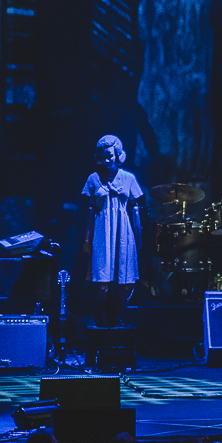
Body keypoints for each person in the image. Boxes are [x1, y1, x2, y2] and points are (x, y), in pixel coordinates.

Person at [81, 134, 144, 328]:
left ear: (118, 154)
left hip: (123, 231)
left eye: (110, 155)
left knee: (125, 283)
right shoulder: (93, 179)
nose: (107, 160)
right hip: (102, 231)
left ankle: (117, 317)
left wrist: (139, 238)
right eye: (103, 156)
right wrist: (86, 239)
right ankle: (100, 319)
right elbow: (89, 211)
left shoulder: (129, 178)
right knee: (102, 283)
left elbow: (135, 209)